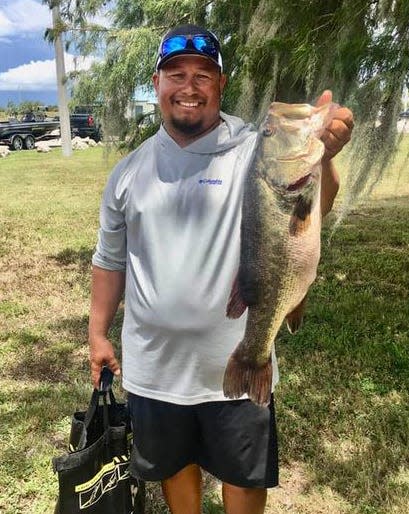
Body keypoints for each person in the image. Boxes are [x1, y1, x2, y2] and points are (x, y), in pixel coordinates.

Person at [88, 24, 354, 514]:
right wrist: (98, 332)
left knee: (243, 477)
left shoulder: (254, 150)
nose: (189, 88)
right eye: (177, 75)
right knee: (174, 471)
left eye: (203, 75)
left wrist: (327, 157)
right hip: (154, 366)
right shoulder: (128, 172)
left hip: (233, 353)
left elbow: (309, 207)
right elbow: (110, 260)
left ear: (221, 84)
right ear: (157, 84)